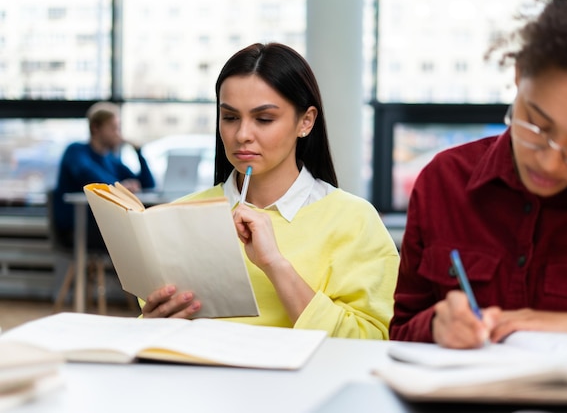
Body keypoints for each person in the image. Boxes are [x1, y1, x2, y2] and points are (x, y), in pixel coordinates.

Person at [390, 0, 567, 348]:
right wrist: (436, 325)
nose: (548, 163)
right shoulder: (444, 182)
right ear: (518, 76)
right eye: (536, 125)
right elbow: (401, 334)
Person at [141, 42, 399, 339]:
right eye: (230, 117)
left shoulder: (355, 220)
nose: (242, 135)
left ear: (305, 121)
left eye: (264, 119)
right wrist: (152, 322)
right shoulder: (180, 216)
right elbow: (157, 334)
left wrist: (275, 264)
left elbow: (372, 342)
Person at [53, 101, 155, 249]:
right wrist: (119, 187)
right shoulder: (75, 151)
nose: (118, 134)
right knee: (136, 240)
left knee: (144, 236)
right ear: (95, 128)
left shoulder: (111, 160)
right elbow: (86, 172)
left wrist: (139, 152)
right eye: (113, 128)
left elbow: (148, 185)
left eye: (118, 128)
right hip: (77, 229)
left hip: (103, 227)